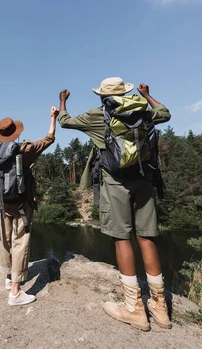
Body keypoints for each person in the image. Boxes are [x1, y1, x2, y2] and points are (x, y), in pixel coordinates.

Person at [57, 77, 172, 331]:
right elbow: (165, 113)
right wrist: (147, 96)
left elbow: (64, 122)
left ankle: (134, 308)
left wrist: (63, 102)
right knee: (146, 238)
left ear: (102, 96)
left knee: (122, 239)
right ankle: (160, 307)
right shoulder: (142, 110)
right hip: (144, 180)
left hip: (116, 183)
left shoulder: (98, 115)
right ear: (126, 92)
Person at [0, 106, 58, 306]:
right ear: (15, 133)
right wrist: (53, 118)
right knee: (20, 242)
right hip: (22, 204)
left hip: (2, 204)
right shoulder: (25, 150)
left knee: (5, 242)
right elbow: (49, 139)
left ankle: (8, 278)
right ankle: (15, 292)